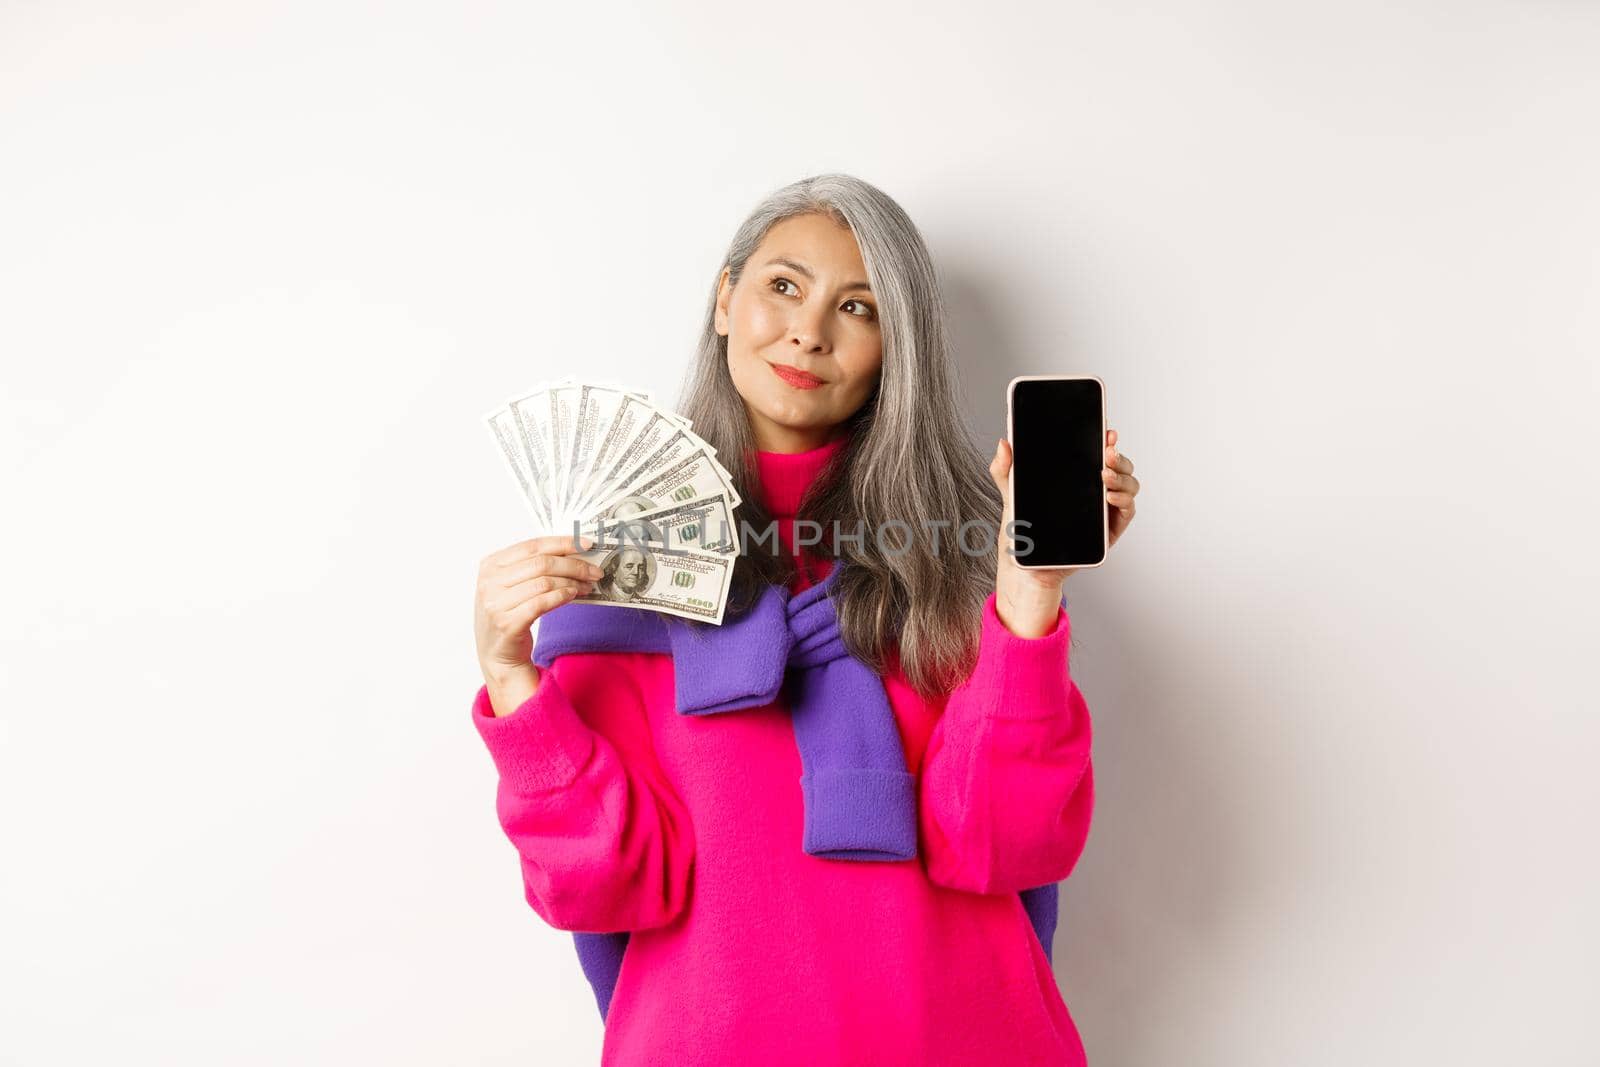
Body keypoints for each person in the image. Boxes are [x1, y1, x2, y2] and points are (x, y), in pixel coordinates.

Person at [469, 173, 1141, 1066]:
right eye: (783, 286)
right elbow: (606, 886)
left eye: (857, 307)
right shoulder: (616, 576)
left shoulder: (959, 562)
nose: (809, 331)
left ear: (893, 349)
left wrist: (1028, 592)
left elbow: (1004, 844)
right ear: (724, 300)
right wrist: (515, 683)